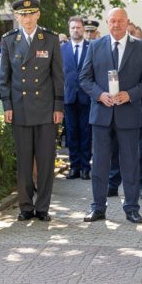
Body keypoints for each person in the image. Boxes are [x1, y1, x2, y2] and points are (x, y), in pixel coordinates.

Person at [79, 8, 142, 224]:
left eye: (120, 21)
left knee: (130, 163)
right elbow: (84, 78)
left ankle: (131, 208)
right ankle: (98, 207)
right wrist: (99, 95)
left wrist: (130, 95)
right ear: (107, 22)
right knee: (100, 164)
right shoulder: (95, 46)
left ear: (127, 22)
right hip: (101, 114)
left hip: (129, 114)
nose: (116, 24)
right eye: (112, 21)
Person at [0, 0, 64, 222]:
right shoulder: (9, 40)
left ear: (38, 15)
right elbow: (4, 78)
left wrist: (58, 106)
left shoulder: (50, 39)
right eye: (22, 15)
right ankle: (26, 206)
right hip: (20, 109)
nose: (27, 18)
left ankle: (43, 207)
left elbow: (58, 76)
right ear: (17, 17)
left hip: (46, 110)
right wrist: (7, 105)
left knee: (45, 162)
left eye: (31, 14)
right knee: (24, 162)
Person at [61, 16, 91, 180]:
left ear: (83, 29)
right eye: (73, 27)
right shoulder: (62, 49)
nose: (75, 30)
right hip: (69, 97)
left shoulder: (91, 47)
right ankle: (74, 167)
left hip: (87, 97)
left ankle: (86, 167)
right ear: (69, 29)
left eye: (78, 27)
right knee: (72, 133)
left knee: (86, 133)